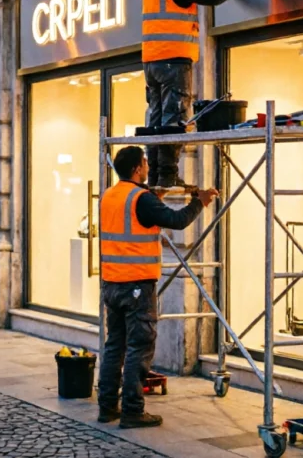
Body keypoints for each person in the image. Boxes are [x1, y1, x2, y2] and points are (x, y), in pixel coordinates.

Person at [96, 146, 217, 428]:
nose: (149, 166)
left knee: (115, 345)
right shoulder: (142, 198)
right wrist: (201, 201)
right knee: (139, 347)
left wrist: (155, 200)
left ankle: (107, 407)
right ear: (138, 169)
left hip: (112, 283)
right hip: (137, 285)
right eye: (146, 162)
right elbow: (177, 221)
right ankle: (133, 411)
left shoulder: (111, 195)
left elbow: (134, 223)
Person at [142, 0, 244, 188]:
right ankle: (167, 176)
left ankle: (155, 174)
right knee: (173, 117)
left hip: (152, 60)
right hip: (173, 59)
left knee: (156, 118)